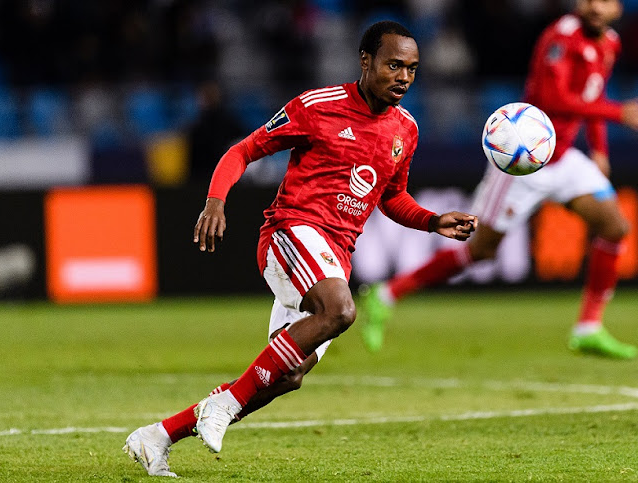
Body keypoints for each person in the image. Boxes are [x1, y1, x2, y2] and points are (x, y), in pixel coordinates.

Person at [122, 21, 477, 477]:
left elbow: (391, 197)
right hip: (291, 233)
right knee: (342, 311)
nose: (404, 77)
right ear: (365, 61)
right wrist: (215, 201)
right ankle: (223, 406)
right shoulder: (316, 106)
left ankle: (158, 436)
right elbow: (243, 151)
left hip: (334, 255)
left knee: (287, 374)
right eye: (393, 65)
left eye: (411, 68)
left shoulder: (405, 129)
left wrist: (432, 221)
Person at [360, 0, 638, 358]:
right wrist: (617, 113)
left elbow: (593, 94)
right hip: (520, 163)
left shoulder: (610, 43)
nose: (593, 6)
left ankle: (588, 327)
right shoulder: (560, 37)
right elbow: (551, 98)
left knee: (615, 226)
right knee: (481, 250)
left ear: (618, 8)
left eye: (602, 1)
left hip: (563, 157)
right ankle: (386, 295)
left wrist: (599, 149)